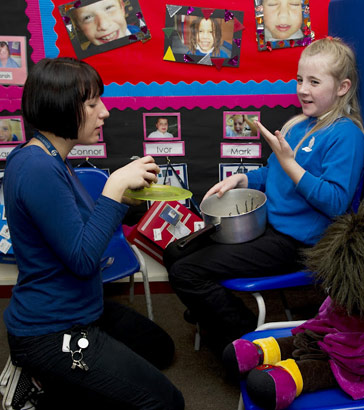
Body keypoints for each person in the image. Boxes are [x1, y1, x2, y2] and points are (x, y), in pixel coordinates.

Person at [3, 57, 184, 410]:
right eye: (92, 103)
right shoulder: (37, 168)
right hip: (52, 331)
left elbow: (83, 225)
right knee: (167, 403)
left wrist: (127, 199)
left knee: (160, 348)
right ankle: (43, 386)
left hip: (84, 308)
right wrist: (114, 186)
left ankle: (61, 382)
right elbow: (84, 260)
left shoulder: (52, 158)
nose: (104, 112)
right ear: (61, 107)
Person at [165, 37, 364, 352]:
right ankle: (212, 307)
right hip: (269, 226)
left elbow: (335, 202)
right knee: (175, 252)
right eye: (300, 79)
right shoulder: (300, 124)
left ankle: (245, 338)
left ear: (342, 87)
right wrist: (243, 178)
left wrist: (290, 164)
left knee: (186, 272)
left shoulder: (347, 134)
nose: (302, 89)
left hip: (301, 244)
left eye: (314, 81)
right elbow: (272, 173)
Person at [222, 202, 364, 409]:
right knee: (311, 336)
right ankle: (266, 351)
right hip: (332, 325)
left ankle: (295, 376)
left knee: (267, 385)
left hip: (356, 353)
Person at [71, 0, 140, 47]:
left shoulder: (139, 32)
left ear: (122, 8)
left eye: (108, 8)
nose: (104, 26)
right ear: (78, 27)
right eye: (87, 17)